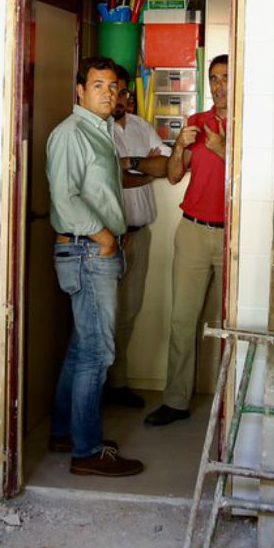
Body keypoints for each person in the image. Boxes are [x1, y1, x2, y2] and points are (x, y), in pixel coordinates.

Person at [45, 56, 145, 476]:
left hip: (94, 250)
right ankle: (86, 452)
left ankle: (66, 431)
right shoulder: (71, 134)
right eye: (98, 85)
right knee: (96, 352)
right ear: (80, 92)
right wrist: (103, 236)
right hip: (88, 250)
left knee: (81, 347)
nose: (107, 93)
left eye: (113, 87)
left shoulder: (99, 132)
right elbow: (66, 198)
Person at [146, 55, 229, 426]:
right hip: (194, 231)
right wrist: (180, 144)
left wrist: (223, 150)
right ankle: (176, 401)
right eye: (213, 78)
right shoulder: (196, 123)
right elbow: (174, 175)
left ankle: (233, 404)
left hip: (233, 237)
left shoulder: (249, 123)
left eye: (225, 78)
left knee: (237, 322)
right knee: (182, 320)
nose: (217, 85)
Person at [105, 62, 169, 408]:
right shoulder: (97, 132)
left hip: (139, 234)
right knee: (104, 315)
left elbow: (167, 167)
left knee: (129, 312)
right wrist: (143, 169)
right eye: (111, 90)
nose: (118, 98)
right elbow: (115, 180)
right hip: (109, 237)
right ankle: (96, 386)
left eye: (123, 91)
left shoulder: (141, 127)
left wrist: (132, 165)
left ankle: (116, 384)